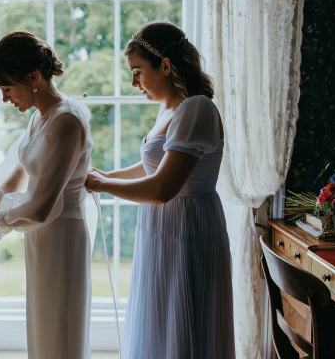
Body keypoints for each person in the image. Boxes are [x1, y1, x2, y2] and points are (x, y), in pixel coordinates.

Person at [85, 22, 235, 358]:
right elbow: (154, 165)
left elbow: (164, 187)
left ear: (165, 65)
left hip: (188, 227)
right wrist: (107, 174)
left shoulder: (197, 109)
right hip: (161, 229)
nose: (134, 82)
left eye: (137, 71)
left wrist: (103, 184)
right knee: (160, 321)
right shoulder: (169, 109)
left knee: (184, 322)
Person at [0, 31, 94, 359]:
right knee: (42, 329)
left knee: (61, 328)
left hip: (61, 236)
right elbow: (11, 183)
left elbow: (43, 207)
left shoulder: (66, 121)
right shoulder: (39, 121)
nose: (5, 98)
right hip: (39, 237)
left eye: (7, 88)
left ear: (33, 77)